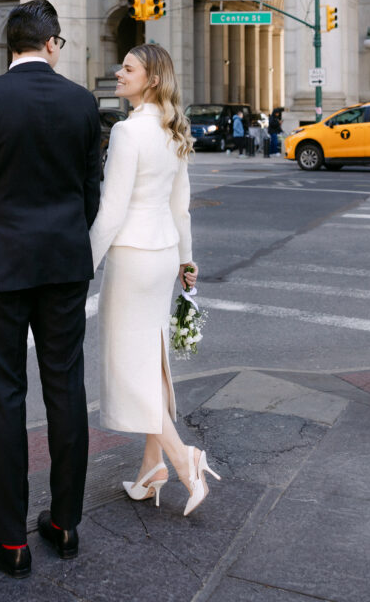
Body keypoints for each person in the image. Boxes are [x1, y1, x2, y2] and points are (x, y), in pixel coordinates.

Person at [0, 0, 102, 579]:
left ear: (10, 45)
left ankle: (11, 542)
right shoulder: (84, 102)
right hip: (62, 265)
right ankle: (64, 524)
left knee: (4, 398)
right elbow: (91, 193)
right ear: (53, 42)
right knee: (66, 388)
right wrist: (63, 240)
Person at [90, 44, 221, 517]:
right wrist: (187, 260)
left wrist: (82, 266)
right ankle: (151, 470)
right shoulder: (172, 130)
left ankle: (184, 458)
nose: (118, 73)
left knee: (129, 368)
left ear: (149, 79)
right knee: (151, 360)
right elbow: (179, 206)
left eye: (128, 68)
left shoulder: (127, 131)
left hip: (131, 257)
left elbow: (111, 212)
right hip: (163, 255)